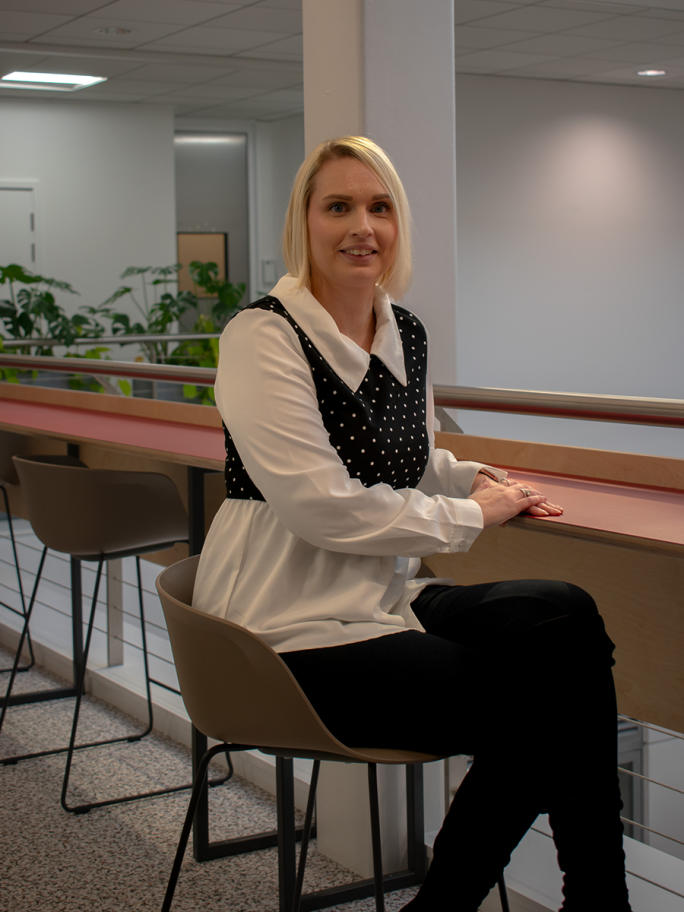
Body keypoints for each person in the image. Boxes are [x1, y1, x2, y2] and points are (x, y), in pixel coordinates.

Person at [193, 136, 631, 912]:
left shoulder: (405, 331)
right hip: (285, 628)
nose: (362, 226)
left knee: (564, 616)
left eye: (380, 206)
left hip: (380, 602)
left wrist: (477, 479)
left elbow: (407, 456)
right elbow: (321, 503)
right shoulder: (262, 335)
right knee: (544, 708)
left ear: (399, 225)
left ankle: (596, 901)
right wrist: (470, 516)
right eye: (339, 207)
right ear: (305, 222)